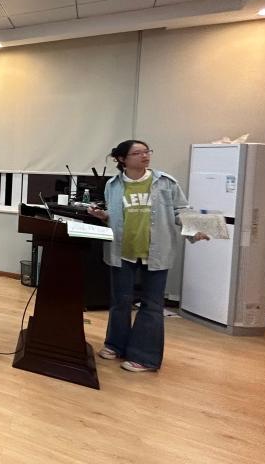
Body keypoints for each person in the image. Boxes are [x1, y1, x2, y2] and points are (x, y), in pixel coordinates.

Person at [88, 140, 208, 373]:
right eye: (137, 153)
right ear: (122, 159)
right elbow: (117, 214)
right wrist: (104, 215)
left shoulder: (165, 182)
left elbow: (181, 210)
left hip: (156, 252)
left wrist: (195, 229)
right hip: (122, 251)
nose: (145, 156)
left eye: (146, 152)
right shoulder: (113, 185)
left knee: (152, 305)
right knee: (120, 302)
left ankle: (145, 358)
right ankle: (115, 345)